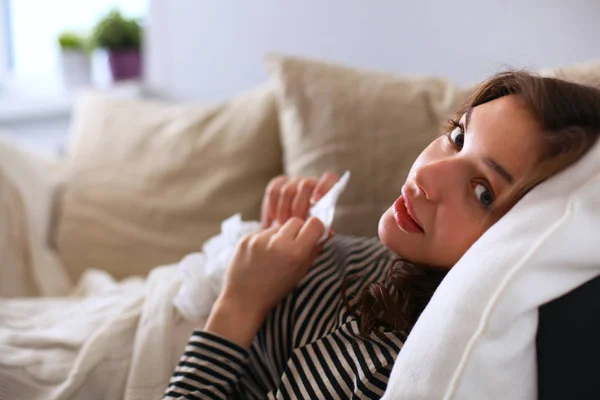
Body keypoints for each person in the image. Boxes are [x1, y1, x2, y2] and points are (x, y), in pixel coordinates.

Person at [164, 71, 600, 399]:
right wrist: (279, 243)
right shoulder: (417, 260)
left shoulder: (380, 366)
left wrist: (240, 302)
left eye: (483, 192)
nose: (426, 175)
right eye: (457, 136)